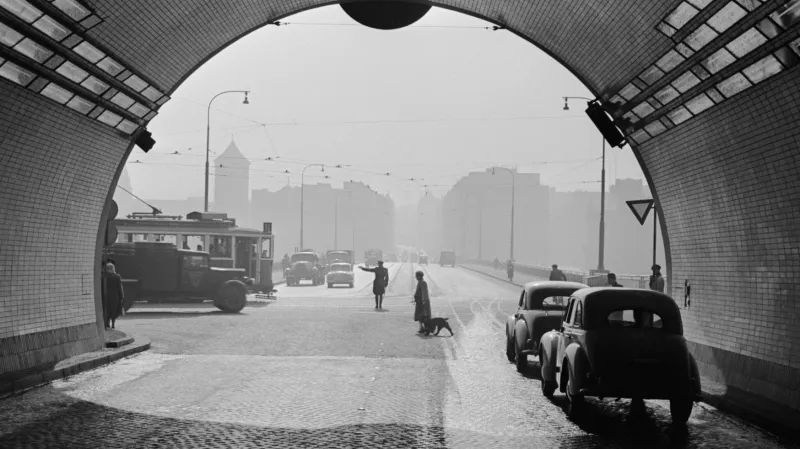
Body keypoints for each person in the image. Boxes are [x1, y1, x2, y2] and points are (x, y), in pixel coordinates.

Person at [103, 262, 125, 329]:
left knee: (107, 310)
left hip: (106, 297)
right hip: (115, 297)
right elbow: (119, 287)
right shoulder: (117, 276)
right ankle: (113, 324)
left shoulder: (104, 277)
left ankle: (107, 324)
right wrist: (121, 296)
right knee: (114, 311)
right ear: (113, 268)